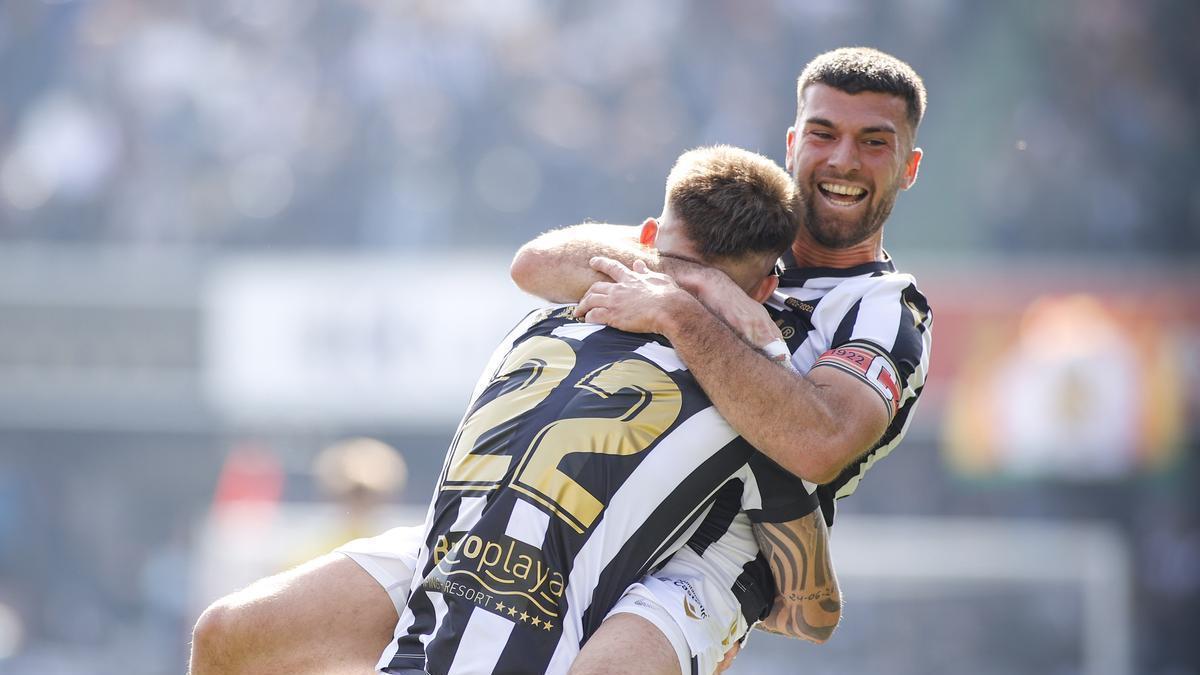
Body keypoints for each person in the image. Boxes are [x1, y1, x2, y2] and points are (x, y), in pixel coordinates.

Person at [190, 146, 839, 675]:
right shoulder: (750, 389)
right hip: (478, 574)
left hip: (493, 585)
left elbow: (533, 262)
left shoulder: (545, 318)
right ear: (765, 288)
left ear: (645, 239)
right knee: (228, 632)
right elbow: (814, 613)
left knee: (223, 634)